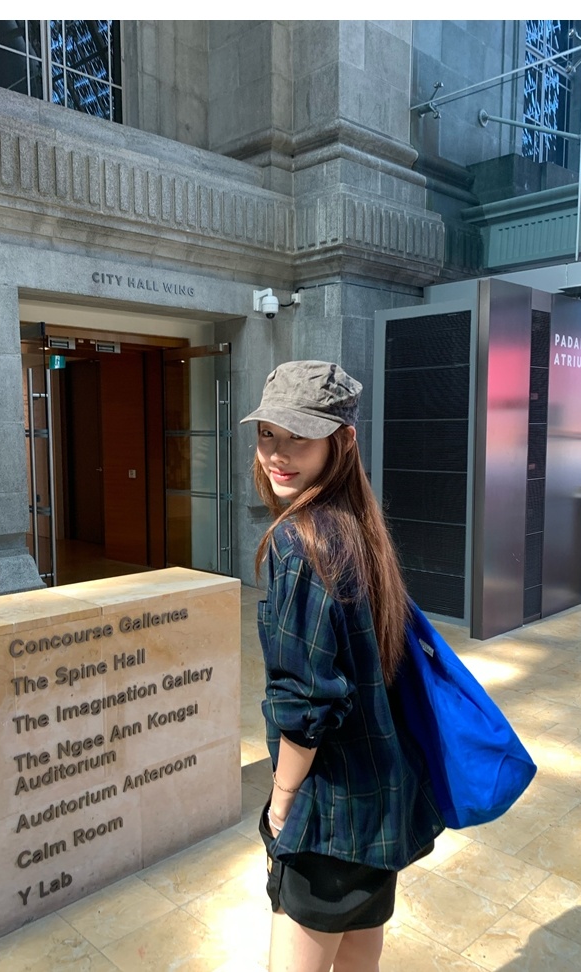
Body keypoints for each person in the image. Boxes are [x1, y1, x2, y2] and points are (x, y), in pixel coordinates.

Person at [240, 361, 445, 972]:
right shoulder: (357, 527)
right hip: (380, 796)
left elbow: (306, 703)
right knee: (360, 961)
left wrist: (281, 805)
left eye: (299, 437)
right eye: (268, 433)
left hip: (327, 813)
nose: (278, 455)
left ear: (343, 440)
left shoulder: (299, 543)